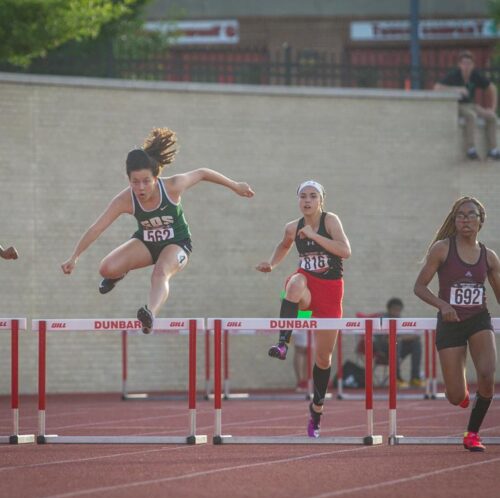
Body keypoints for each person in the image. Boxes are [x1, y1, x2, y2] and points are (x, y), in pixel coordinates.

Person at [61, 127, 254, 333]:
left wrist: (235, 185)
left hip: (177, 244)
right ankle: (118, 274)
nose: (141, 188)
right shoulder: (125, 199)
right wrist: (75, 257)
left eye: (146, 181)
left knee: (160, 272)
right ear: (128, 180)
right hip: (147, 243)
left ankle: (150, 314)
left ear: (156, 177)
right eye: (135, 182)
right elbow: (97, 228)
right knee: (106, 269)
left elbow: (203, 173)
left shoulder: (172, 186)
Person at [256, 180, 351, 437]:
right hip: (308, 286)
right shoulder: (292, 227)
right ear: (298, 200)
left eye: (312, 196)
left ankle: (317, 409)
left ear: (321, 200)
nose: (307, 201)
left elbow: (345, 250)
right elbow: (284, 245)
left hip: (330, 293)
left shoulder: (331, 221)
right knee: (294, 284)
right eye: (303, 196)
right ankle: (283, 343)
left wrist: (313, 235)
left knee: (323, 358)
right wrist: (272, 264)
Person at [414, 196, 500, 452]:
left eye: (471, 215)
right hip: (451, 322)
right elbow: (419, 287)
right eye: (460, 215)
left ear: (480, 221)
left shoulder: (489, 257)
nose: (465, 219)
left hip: (478, 319)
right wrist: (443, 305)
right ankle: (461, 393)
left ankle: (472, 433)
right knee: (454, 396)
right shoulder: (442, 249)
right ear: (455, 220)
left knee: (486, 374)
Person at [434, 50, 500, 161]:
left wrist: (493, 108)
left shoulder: (475, 75)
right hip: (457, 105)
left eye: (469, 63)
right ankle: (471, 149)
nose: (466, 66)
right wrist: (456, 89)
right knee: (471, 116)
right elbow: (437, 88)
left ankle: (493, 150)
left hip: (471, 104)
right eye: (464, 63)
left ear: (473, 65)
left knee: (491, 117)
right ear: (459, 64)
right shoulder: (454, 75)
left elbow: (492, 88)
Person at [374, 298, 425, 389]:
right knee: (396, 343)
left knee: (416, 343)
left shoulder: (399, 320)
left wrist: (411, 337)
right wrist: (403, 338)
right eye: (395, 309)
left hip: (398, 348)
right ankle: (396, 378)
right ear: (389, 309)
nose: (397, 312)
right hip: (383, 350)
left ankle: (415, 378)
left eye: (399, 310)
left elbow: (401, 336)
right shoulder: (382, 319)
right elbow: (387, 339)